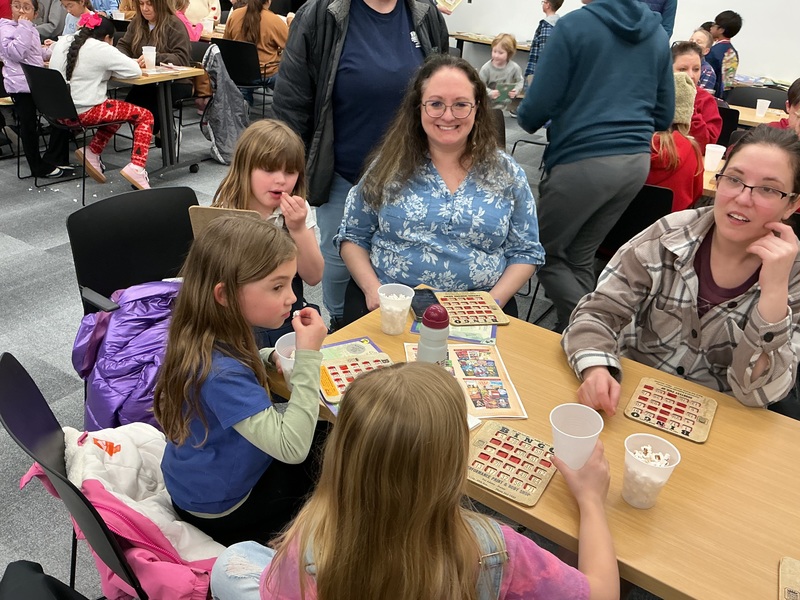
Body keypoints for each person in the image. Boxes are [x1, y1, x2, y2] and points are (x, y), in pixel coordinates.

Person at [210, 362, 619, 600]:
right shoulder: (496, 548)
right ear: (457, 459)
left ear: (340, 452)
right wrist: (591, 502)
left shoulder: (307, 541)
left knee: (233, 560)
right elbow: (601, 593)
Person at [562, 126, 800, 414]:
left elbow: (757, 393)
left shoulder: (793, 276)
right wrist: (597, 367)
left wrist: (774, 294)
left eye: (767, 189)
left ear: (792, 204)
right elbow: (598, 311)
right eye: (734, 179)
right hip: (631, 397)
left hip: (721, 418)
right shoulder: (668, 235)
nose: (743, 198)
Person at [153, 216, 329, 546]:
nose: (292, 297)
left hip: (198, 482)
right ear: (224, 294)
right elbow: (291, 449)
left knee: (326, 434)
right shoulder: (220, 374)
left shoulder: (205, 330)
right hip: (226, 508)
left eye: (290, 283)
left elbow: (231, 367)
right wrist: (308, 359)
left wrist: (263, 359)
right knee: (334, 452)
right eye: (278, 286)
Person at [273, 0, 448, 331]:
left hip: (412, 174)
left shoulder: (425, 14)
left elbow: (445, 87)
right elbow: (291, 102)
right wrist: (287, 171)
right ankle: (342, 325)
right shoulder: (321, 15)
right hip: (342, 171)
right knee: (338, 260)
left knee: (407, 254)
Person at [336, 54, 544, 323]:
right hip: (394, 307)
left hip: (480, 309)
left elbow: (527, 251)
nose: (448, 116)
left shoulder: (506, 173)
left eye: (460, 105)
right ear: (418, 108)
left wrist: (493, 302)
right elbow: (352, 236)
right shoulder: (388, 166)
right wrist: (372, 291)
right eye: (435, 104)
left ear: (477, 108)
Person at [516, 0, 674, 332]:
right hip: (634, 163)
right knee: (579, 256)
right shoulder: (657, 34)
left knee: (541, 252)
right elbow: (663, 114)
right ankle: (573, 337)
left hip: (583, 160)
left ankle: (595, 333)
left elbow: (533, 112)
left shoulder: (574, 26)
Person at [212, 120, 323, 347]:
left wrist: (298, 228)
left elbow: (313, 276)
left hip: (284, 317)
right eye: (269, 169)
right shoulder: (224, 211)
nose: (281, 180)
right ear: (245, 168)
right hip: (237, 324)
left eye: (291, 172)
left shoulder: (296, 210)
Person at [49, 13, 154, 189]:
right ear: (107, 38)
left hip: (59, 113)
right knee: (145, 115)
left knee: (117, 111)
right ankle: (137, 167)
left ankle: (92, 151)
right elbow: (134, 71)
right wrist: (110, 69)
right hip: (85, 112)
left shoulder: (64, 41)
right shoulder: (101, 48)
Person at [0, 0, 73, 178]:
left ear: (35, 13)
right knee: (28, 125)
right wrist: (24, 25)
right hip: (19, 85)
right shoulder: (6, 28)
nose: (21, 11)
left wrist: (52, 49)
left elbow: (34, 52)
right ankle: (36, 166)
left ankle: (56, 157)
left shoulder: (29, 28)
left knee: (60, 114)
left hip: (36, 82)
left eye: (27, 7)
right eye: (17, 6)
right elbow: (17, 53)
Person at [116, 0, 191, 142]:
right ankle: (163, 132)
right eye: (142, 4)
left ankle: (166, 133)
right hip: (147, 82)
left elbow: (182, 58)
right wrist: (126, 60)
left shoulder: (174, 24)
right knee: (129, 108)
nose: (145, 8)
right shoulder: (137, 22)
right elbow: (123, 45)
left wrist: (156, 58)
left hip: (176, 83)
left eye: (149, 4)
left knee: (149, 109)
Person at [646, 72, 703, 212]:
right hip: (671, 230)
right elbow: (696, 194)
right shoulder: (692, 151)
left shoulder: (630, 145)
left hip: (618, 229)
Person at [223, 0, 288, 102]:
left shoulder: (234, 16)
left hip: (240, 73)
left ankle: (243, 105)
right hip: (267, 73)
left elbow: (226, 44)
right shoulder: (274, 21)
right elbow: (292, 45)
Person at [671, 40, 721, 155]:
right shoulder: (657, 95)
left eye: (696, 69)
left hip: (690, 158)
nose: (691, 75)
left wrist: (688, 107)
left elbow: (705, 146)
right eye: (682, 69)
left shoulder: (705, 100)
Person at [478, 33, 523, 111]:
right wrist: (490, 93)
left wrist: (516, 91)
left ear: (509, 53)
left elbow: (520, 81)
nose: (496, 55)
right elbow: (480, 85)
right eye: (494, 51)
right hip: (487, 108)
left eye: (500, 53)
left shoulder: (514, 68)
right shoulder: (486, 68)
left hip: (505, 107)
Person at [523, 0, 561, 87]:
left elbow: (544, 53)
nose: (542, 4)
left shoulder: (547, 25)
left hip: (539, 74)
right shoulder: (558, 24)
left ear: (547, 5)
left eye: (543, 2)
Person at [706, 10, 741, 100]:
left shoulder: (712, 52)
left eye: (714, 24)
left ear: (721, 30)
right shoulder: (733, 52)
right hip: (726, 98)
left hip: (712, 97)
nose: (711, 27)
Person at [689, 28, 716, 94]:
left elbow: (701, 97)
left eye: (699, 42)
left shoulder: (707, 71)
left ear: (706, 51)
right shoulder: (677, 62)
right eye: (691, 40)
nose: (693, 43)